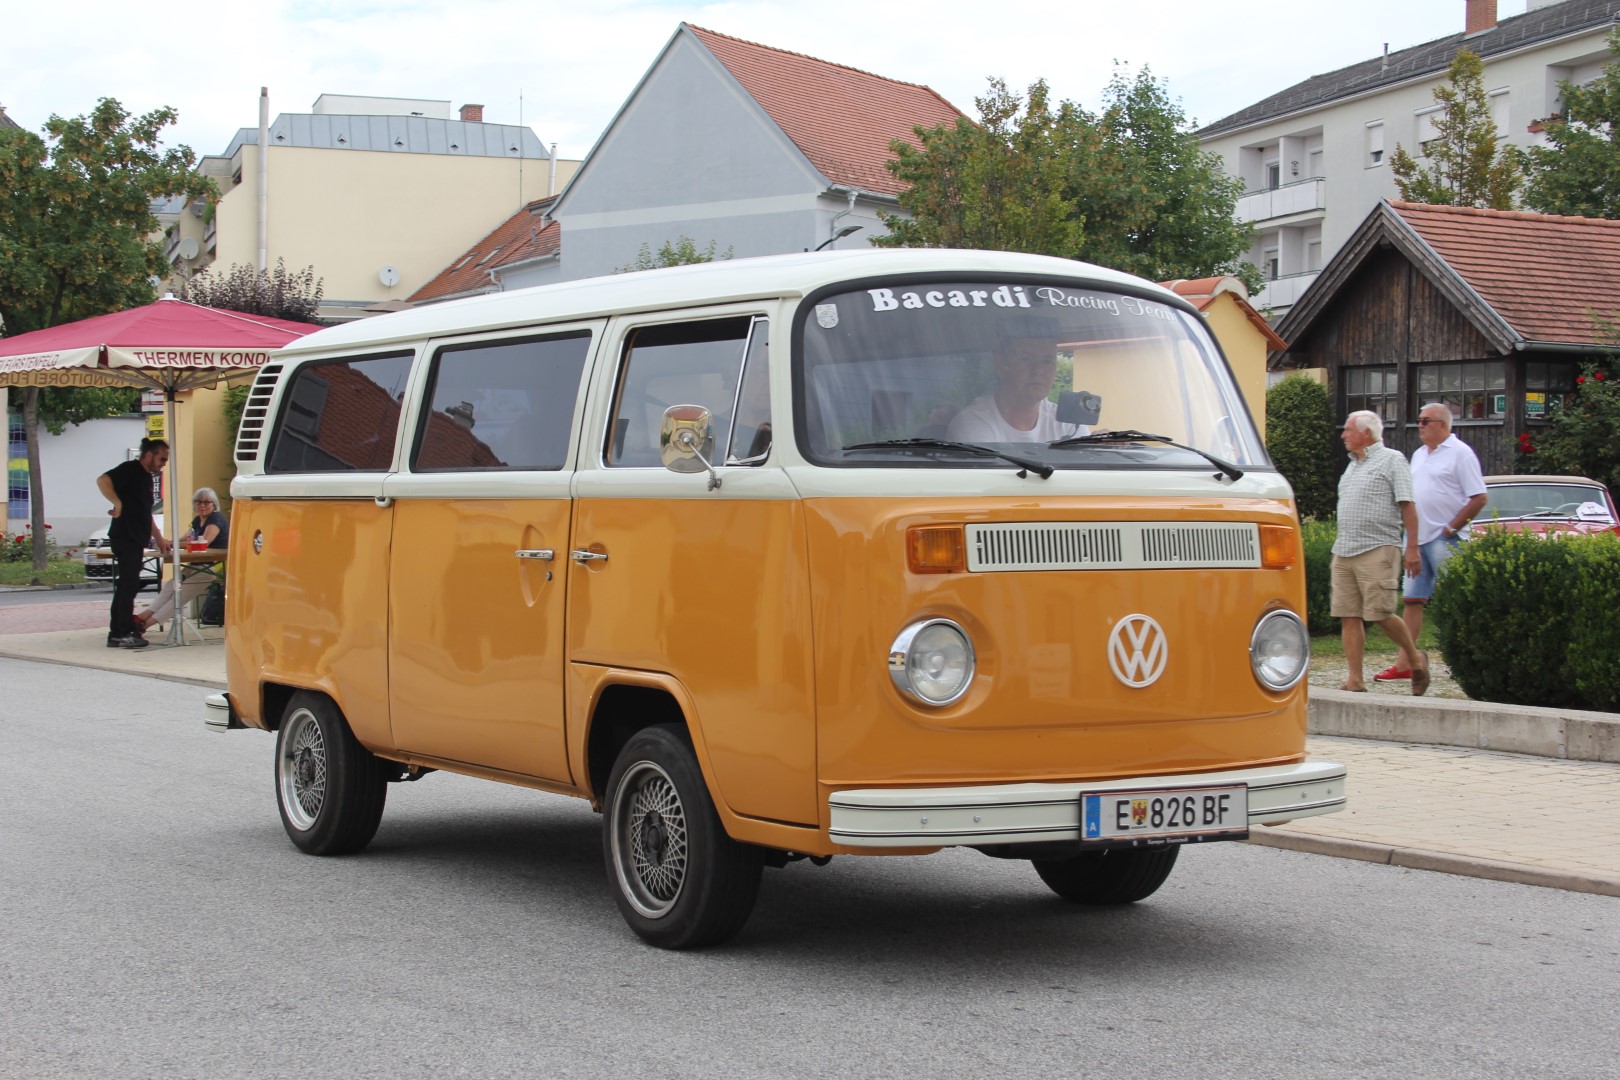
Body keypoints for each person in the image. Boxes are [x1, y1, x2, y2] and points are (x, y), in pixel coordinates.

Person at [1374, 403, 1487, 683]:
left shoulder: (1460, 454)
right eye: (1418, 420)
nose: (1420, 426)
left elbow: (1479, 497)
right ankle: (1406, 662)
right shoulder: (1419, 454)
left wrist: (1452, 527)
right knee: (1412, 601)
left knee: (1455, 599)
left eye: (1426, 421)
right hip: (1417, 539)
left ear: (1443, 425)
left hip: (1445, 539)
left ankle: (1471, 660)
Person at [1331, 411, 1430, 695]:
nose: (1343, 435)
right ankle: (1354, 679)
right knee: (1348, 615)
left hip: (1379, 547)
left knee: (1381, 613)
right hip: (1344, 549)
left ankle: (1413, 658)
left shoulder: (1392, 460)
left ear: (1366, 433)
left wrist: (1412, 548)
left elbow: (1408, 506)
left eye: (1348, 430)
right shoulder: (1351, 465)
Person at [946, 329, 1089, 443]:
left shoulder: (1069, 423)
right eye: (1026, 359)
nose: (1038, 370)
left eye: (1047, 361)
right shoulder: (972, 423)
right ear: (1000, 365)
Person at [96, 438, 171, 649]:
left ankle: (123, 629)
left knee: (129, 586)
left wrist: (159, 538)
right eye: (162, 458)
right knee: (127, 587)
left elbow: (145, 513)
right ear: (149, 454)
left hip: (137, 538)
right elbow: (102, 480)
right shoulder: (130, 469)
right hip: (125, 536)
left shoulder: (146, 478)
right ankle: (120, 632)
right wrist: (117, 502)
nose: (163, 463)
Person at [134, 487, 230, 634]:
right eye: (198, 502)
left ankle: (144, 626)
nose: (202, 505)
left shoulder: (216, 520)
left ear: (214, 504)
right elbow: (185, 539)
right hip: (196, 566)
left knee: (179, 594)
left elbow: (204, 543)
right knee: (171, 586)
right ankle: (143, 617)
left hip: (212, 568)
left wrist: (170, 544)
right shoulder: (198, 520)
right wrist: (168, 542)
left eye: (206, 502)